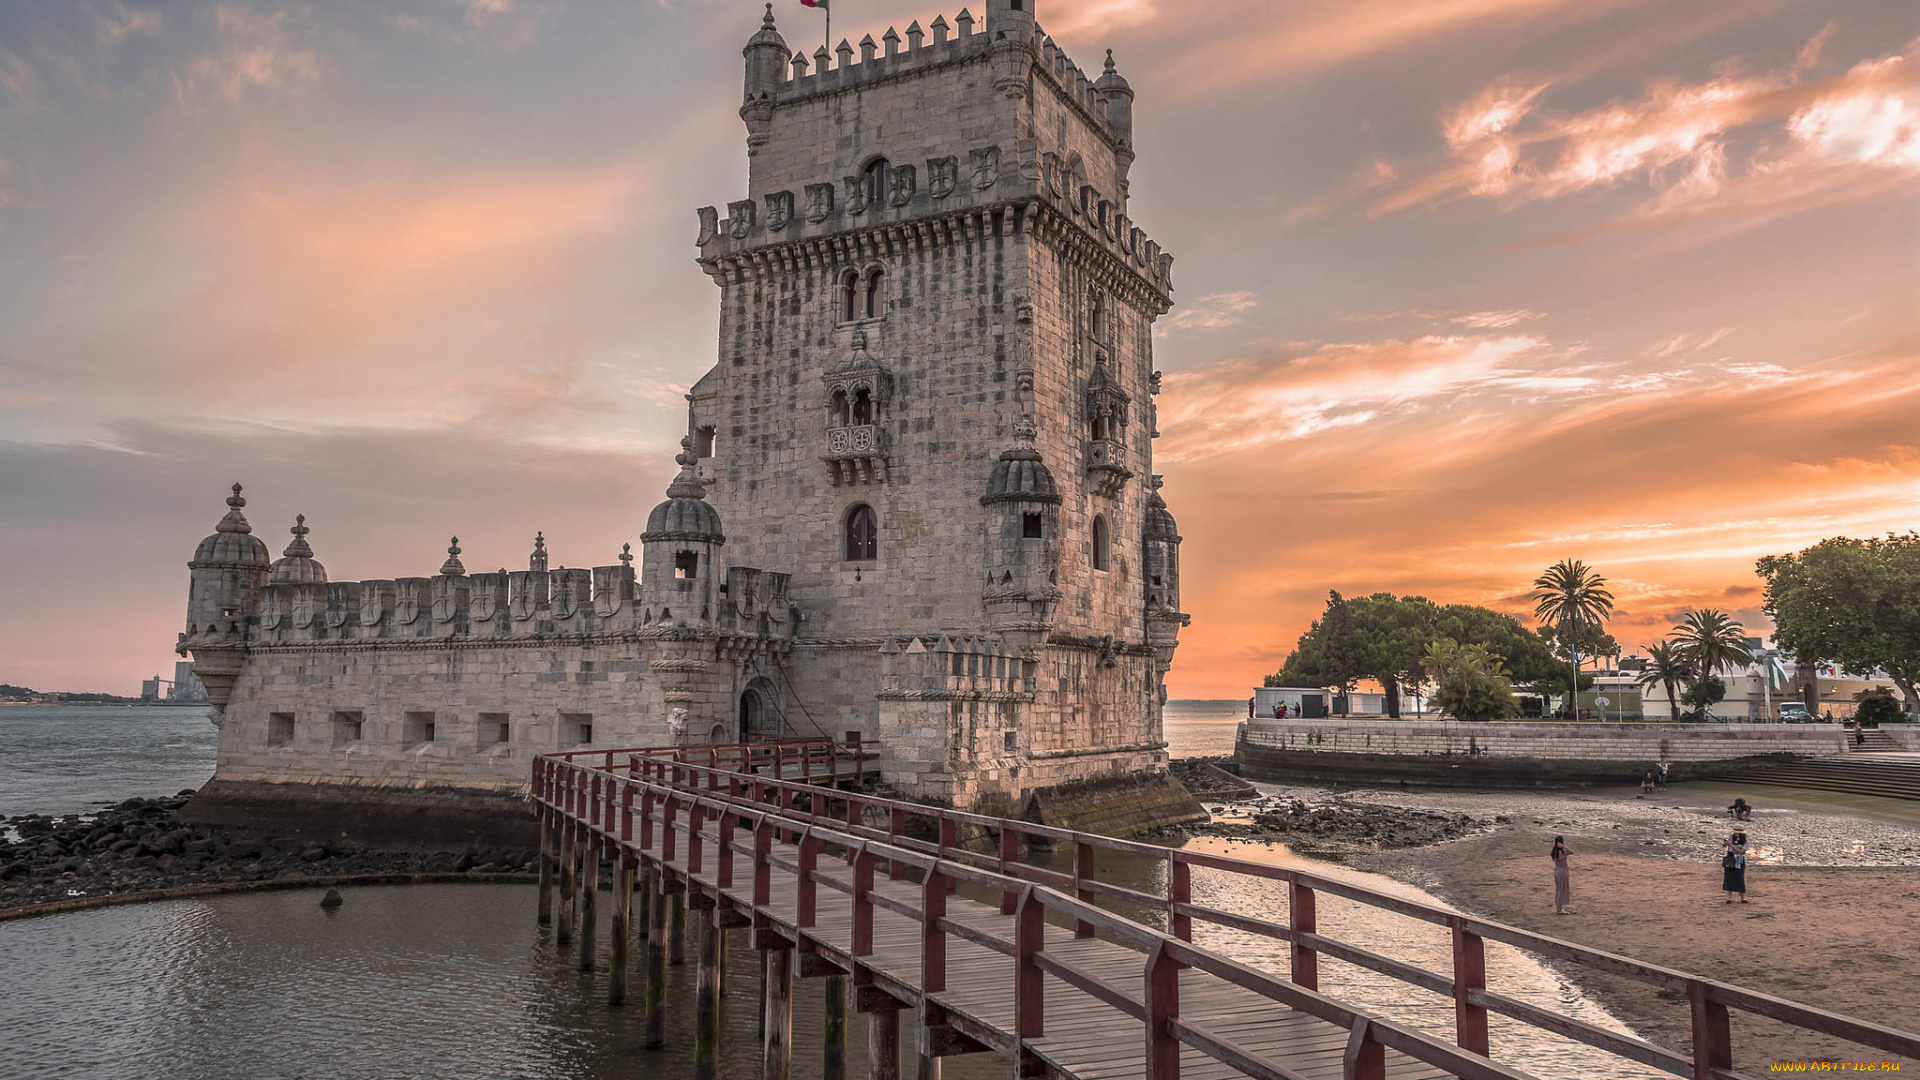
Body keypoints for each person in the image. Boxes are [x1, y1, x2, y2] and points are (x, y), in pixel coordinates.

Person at [1723, 827, 1750, 903]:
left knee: (1740, 878)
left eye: (1737, 833)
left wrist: (1731, 844)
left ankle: (1743, 898)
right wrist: (1726, 843)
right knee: (1729, 878)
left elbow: (1741, 852)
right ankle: (1729, 898)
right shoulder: (1731, 837)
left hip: (1739, 861)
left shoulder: (1746, 841)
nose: (1735, 834)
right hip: (1730, 859)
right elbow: (1724, 846)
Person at [1551, 835, 1572, 914]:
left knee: (1558, 890)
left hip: (1557, 871)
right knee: (1561, 890)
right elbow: (1571, 851)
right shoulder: (1561, 852)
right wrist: (1564, 846)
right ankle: (1559, 910)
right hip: (1562, 872)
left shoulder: (1555, 852)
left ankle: (1559, 909)